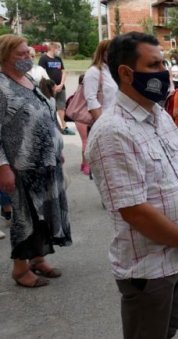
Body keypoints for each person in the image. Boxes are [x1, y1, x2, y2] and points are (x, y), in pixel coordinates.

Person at [86, 32, 178, 339]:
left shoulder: (161, 118)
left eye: (163, 63)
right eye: (154, 65)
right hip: (149, 270)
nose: (164, 72)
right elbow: (135, 212)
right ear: (126, 73)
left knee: (167, 331)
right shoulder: (112, 132)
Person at [0, 34, 72, 288]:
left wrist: (55, 147)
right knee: (24, 216)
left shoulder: (29, 79)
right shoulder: (1, 86)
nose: (27, 58)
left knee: (44, 214)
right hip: (21, 165)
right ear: (5, 55)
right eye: (21, 54)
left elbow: (47, 115)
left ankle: (38, 258)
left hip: (46, 162)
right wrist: (3, 167)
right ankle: (20, 268)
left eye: (28, 53)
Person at [81, 39, 119, 176]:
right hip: (103, 124)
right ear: (103, 53)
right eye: (112, 52)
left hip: (117, 123)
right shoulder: (94, 71)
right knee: (107, 167)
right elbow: (91, 99)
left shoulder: (114, 71)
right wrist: (102, 125)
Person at [39, 42, 74, 135]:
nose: (58, 50)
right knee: (50, 107)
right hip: (49, 88)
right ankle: (51, 127)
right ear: (52, 48)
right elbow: (41, 73)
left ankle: (64, 127)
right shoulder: (43, 59)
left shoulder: (58, 59)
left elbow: (63, 71)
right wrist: (53, 86)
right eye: (57, 48)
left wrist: (61, 84)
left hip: (61, 87)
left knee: (61, 107)